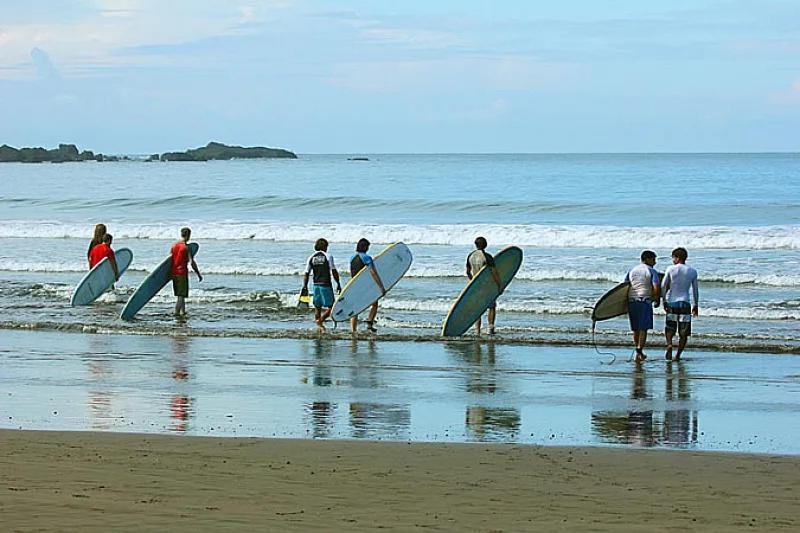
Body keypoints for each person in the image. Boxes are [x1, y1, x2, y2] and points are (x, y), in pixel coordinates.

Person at [661, 247, 699, 361]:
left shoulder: (670, 269)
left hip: (672, 302)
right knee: (684, 332)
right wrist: (695, 304)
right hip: (685, 303)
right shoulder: (692, 271)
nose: (672, 260)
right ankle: (677, 355)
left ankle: (669, 344)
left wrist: (664, 300)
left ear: (677, 258)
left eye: (673, 257)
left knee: (670, 328)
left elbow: (663, 286)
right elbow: (695, 290)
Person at [624, 250, 660, 363]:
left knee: (635, 328)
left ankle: (638, 351)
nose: (655, 262)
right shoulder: (651, 271)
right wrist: (656, 299)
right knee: (643, 328)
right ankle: (640, 349)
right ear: (648, 259)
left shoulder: (632, 270)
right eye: (653, 259)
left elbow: (624, 286)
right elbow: (656, 287)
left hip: (632, 301)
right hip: (644, 301)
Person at [302, 238, 341, 330]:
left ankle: (319, 326)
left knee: (317, 306)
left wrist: (305, 286)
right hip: (325, 284)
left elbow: (306, 273)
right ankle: (321, 321)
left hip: (315, 285)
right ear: (325, 246)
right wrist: (338, 283)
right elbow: (333, 270)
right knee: (332, 307)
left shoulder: (311, 257)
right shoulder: (328, 256)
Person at [466, 236, 502, 336]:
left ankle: (477, 330)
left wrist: (472, 281)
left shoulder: (470, 256)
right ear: (485, 245)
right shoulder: (487, 256)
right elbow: (494, 273)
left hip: (475, 286)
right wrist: (499, 285)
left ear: (476, 245)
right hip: (487, 286)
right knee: (492, 306)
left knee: (477, 307)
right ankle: (490, 328)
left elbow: (468, 272)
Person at [349, 238, 386, 334]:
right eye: (368, 247)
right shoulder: (367, 258)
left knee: (355, 307)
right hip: (364, 286)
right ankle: (369, 324)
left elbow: (353, 272)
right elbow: (373, 273)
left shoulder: (352, 257)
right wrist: (381, 287)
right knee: (374, 303)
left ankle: (353, 330)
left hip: (353, 285)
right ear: (365, 247)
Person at [171, 227, 202, 317]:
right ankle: (176, 313)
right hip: (182, 273)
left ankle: (182, 312)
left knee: (181, 294)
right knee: (181, 296)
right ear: (188, 235)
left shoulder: (174, 246)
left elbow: (170, 260)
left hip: (174, 273)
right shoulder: (186, 247)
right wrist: (198, 274)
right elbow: (192, 262)